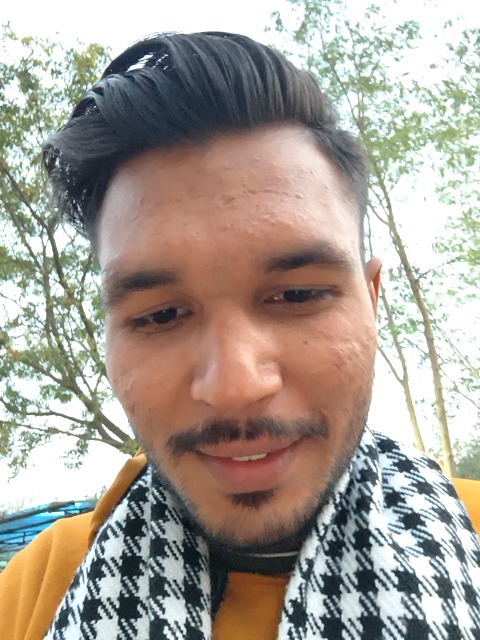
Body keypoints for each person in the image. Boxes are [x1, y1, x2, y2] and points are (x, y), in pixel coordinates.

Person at [0, 31, 479, 640]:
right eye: (160, 316)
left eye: (297, 296)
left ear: (373, 298)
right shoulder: (36, 591)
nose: (234, 386)